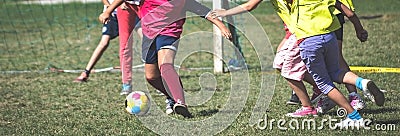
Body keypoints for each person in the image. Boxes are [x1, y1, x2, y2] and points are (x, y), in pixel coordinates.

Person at [212, 0, 385, 127]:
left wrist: (224, 13)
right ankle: (362, 83)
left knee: (306, 77)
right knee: (327, 71)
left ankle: (322, 107)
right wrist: (359, 29)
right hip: (326, 35)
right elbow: (349, 12)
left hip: (305, 37)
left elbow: (250, 5)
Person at [100, 0, 232, 118]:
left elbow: (204, 11)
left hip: (169, 32)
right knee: (151, 77)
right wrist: (109, 10)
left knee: (165, 65)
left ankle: (181, 103)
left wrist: (221, 26)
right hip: (149, 34)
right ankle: (172, 96)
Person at [75, 0, 141, 96]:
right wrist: (109, 7)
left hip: (132, 7)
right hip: (113, 14)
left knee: (147, 40)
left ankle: (158, 79)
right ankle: (86, 71)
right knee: (106, 42)